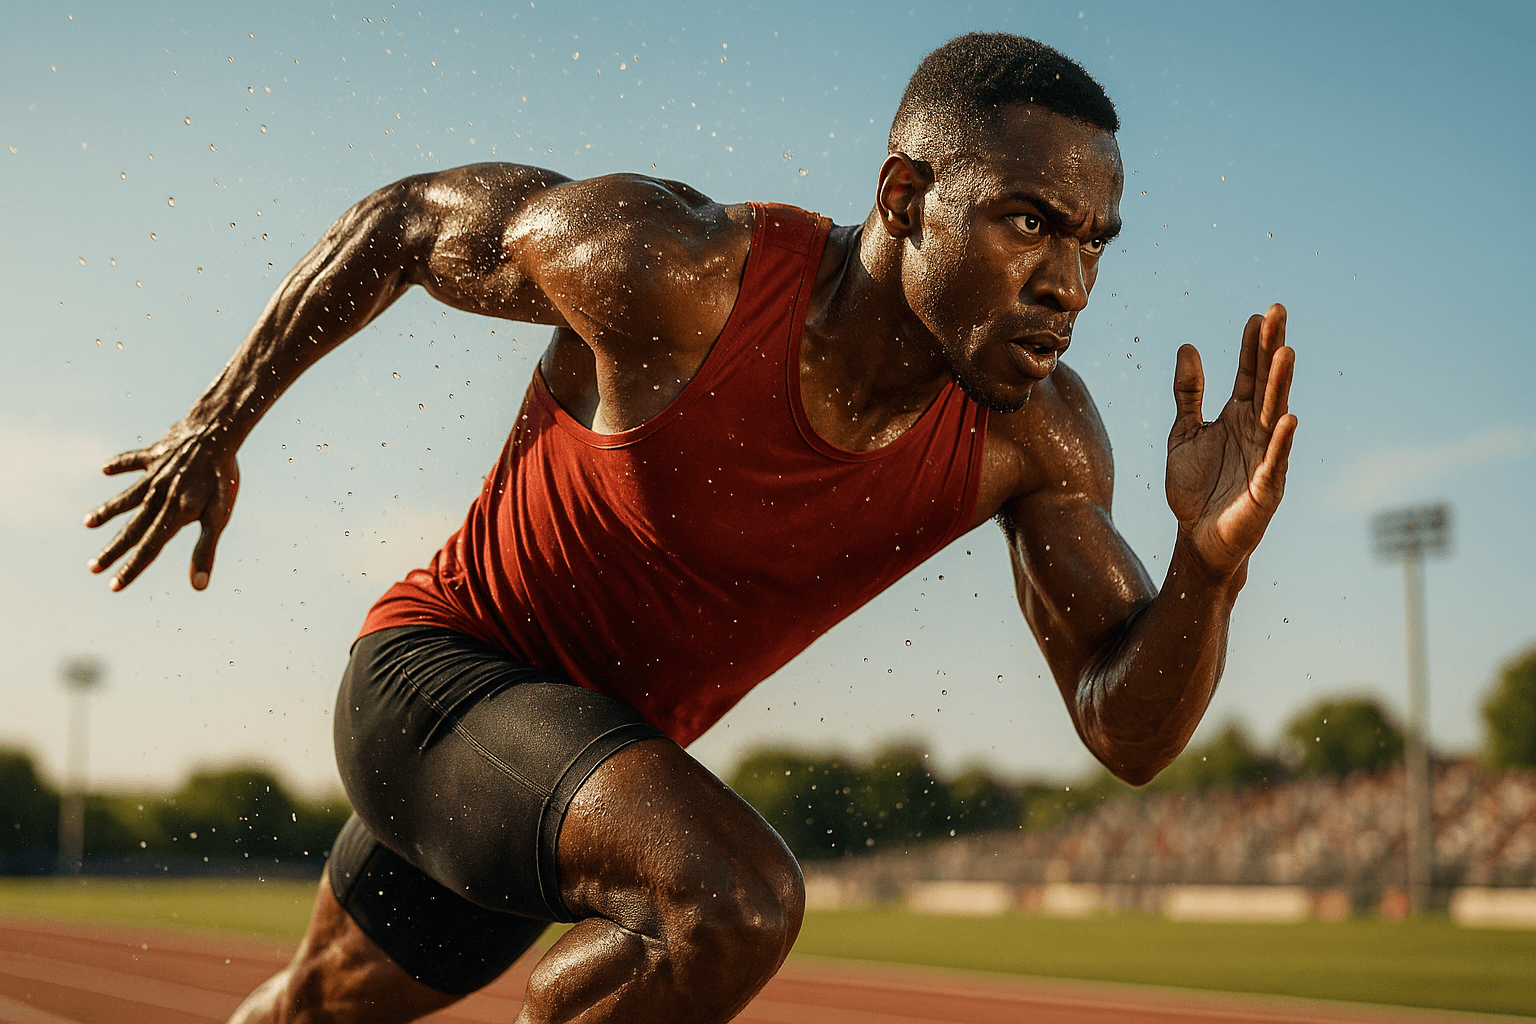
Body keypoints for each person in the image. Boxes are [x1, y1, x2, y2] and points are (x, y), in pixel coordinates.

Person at [84, 32, 1296, 1024]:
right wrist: (216, 424)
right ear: (906, 197)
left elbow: (1122, 726)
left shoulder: (1038, 438)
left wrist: (1207, 567)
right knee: (732, 902)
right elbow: (408, 221)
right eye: (1028, 221)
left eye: (1093, 242)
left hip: (585, 773)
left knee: (315, 1009)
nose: (1070, 283)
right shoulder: (677, 268)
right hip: (434, 685)